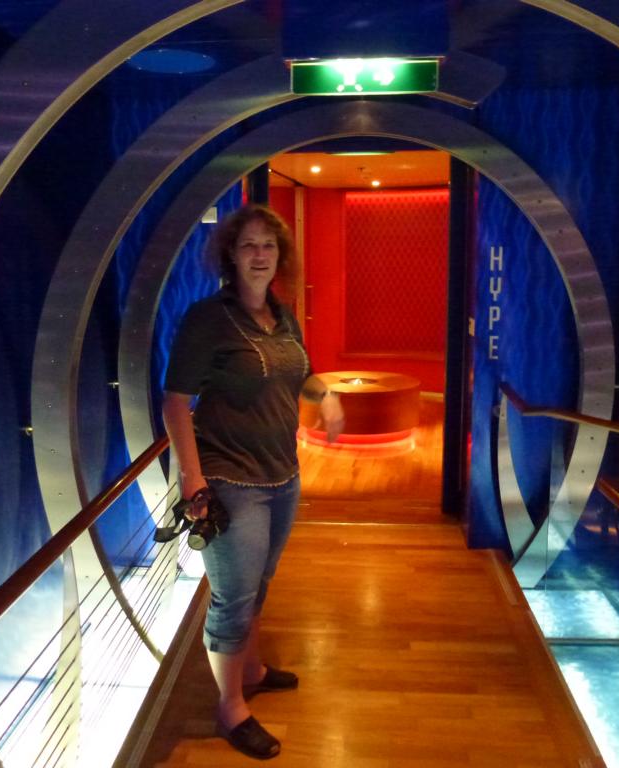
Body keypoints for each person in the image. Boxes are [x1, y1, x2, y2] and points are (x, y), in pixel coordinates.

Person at [162, 204, 345, 760]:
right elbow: (175, 401)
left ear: (280, 255)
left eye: (269, 245)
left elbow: (302, 374)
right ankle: (230, 707)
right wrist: (193, 482)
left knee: (259, 583)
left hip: (282, 476)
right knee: (233, 597)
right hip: (229, 479)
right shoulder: (208, 319)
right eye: (249, 245)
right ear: (231, 256)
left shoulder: (281, 316)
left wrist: (326, 398)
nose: (260, 255)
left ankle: (253, 669)